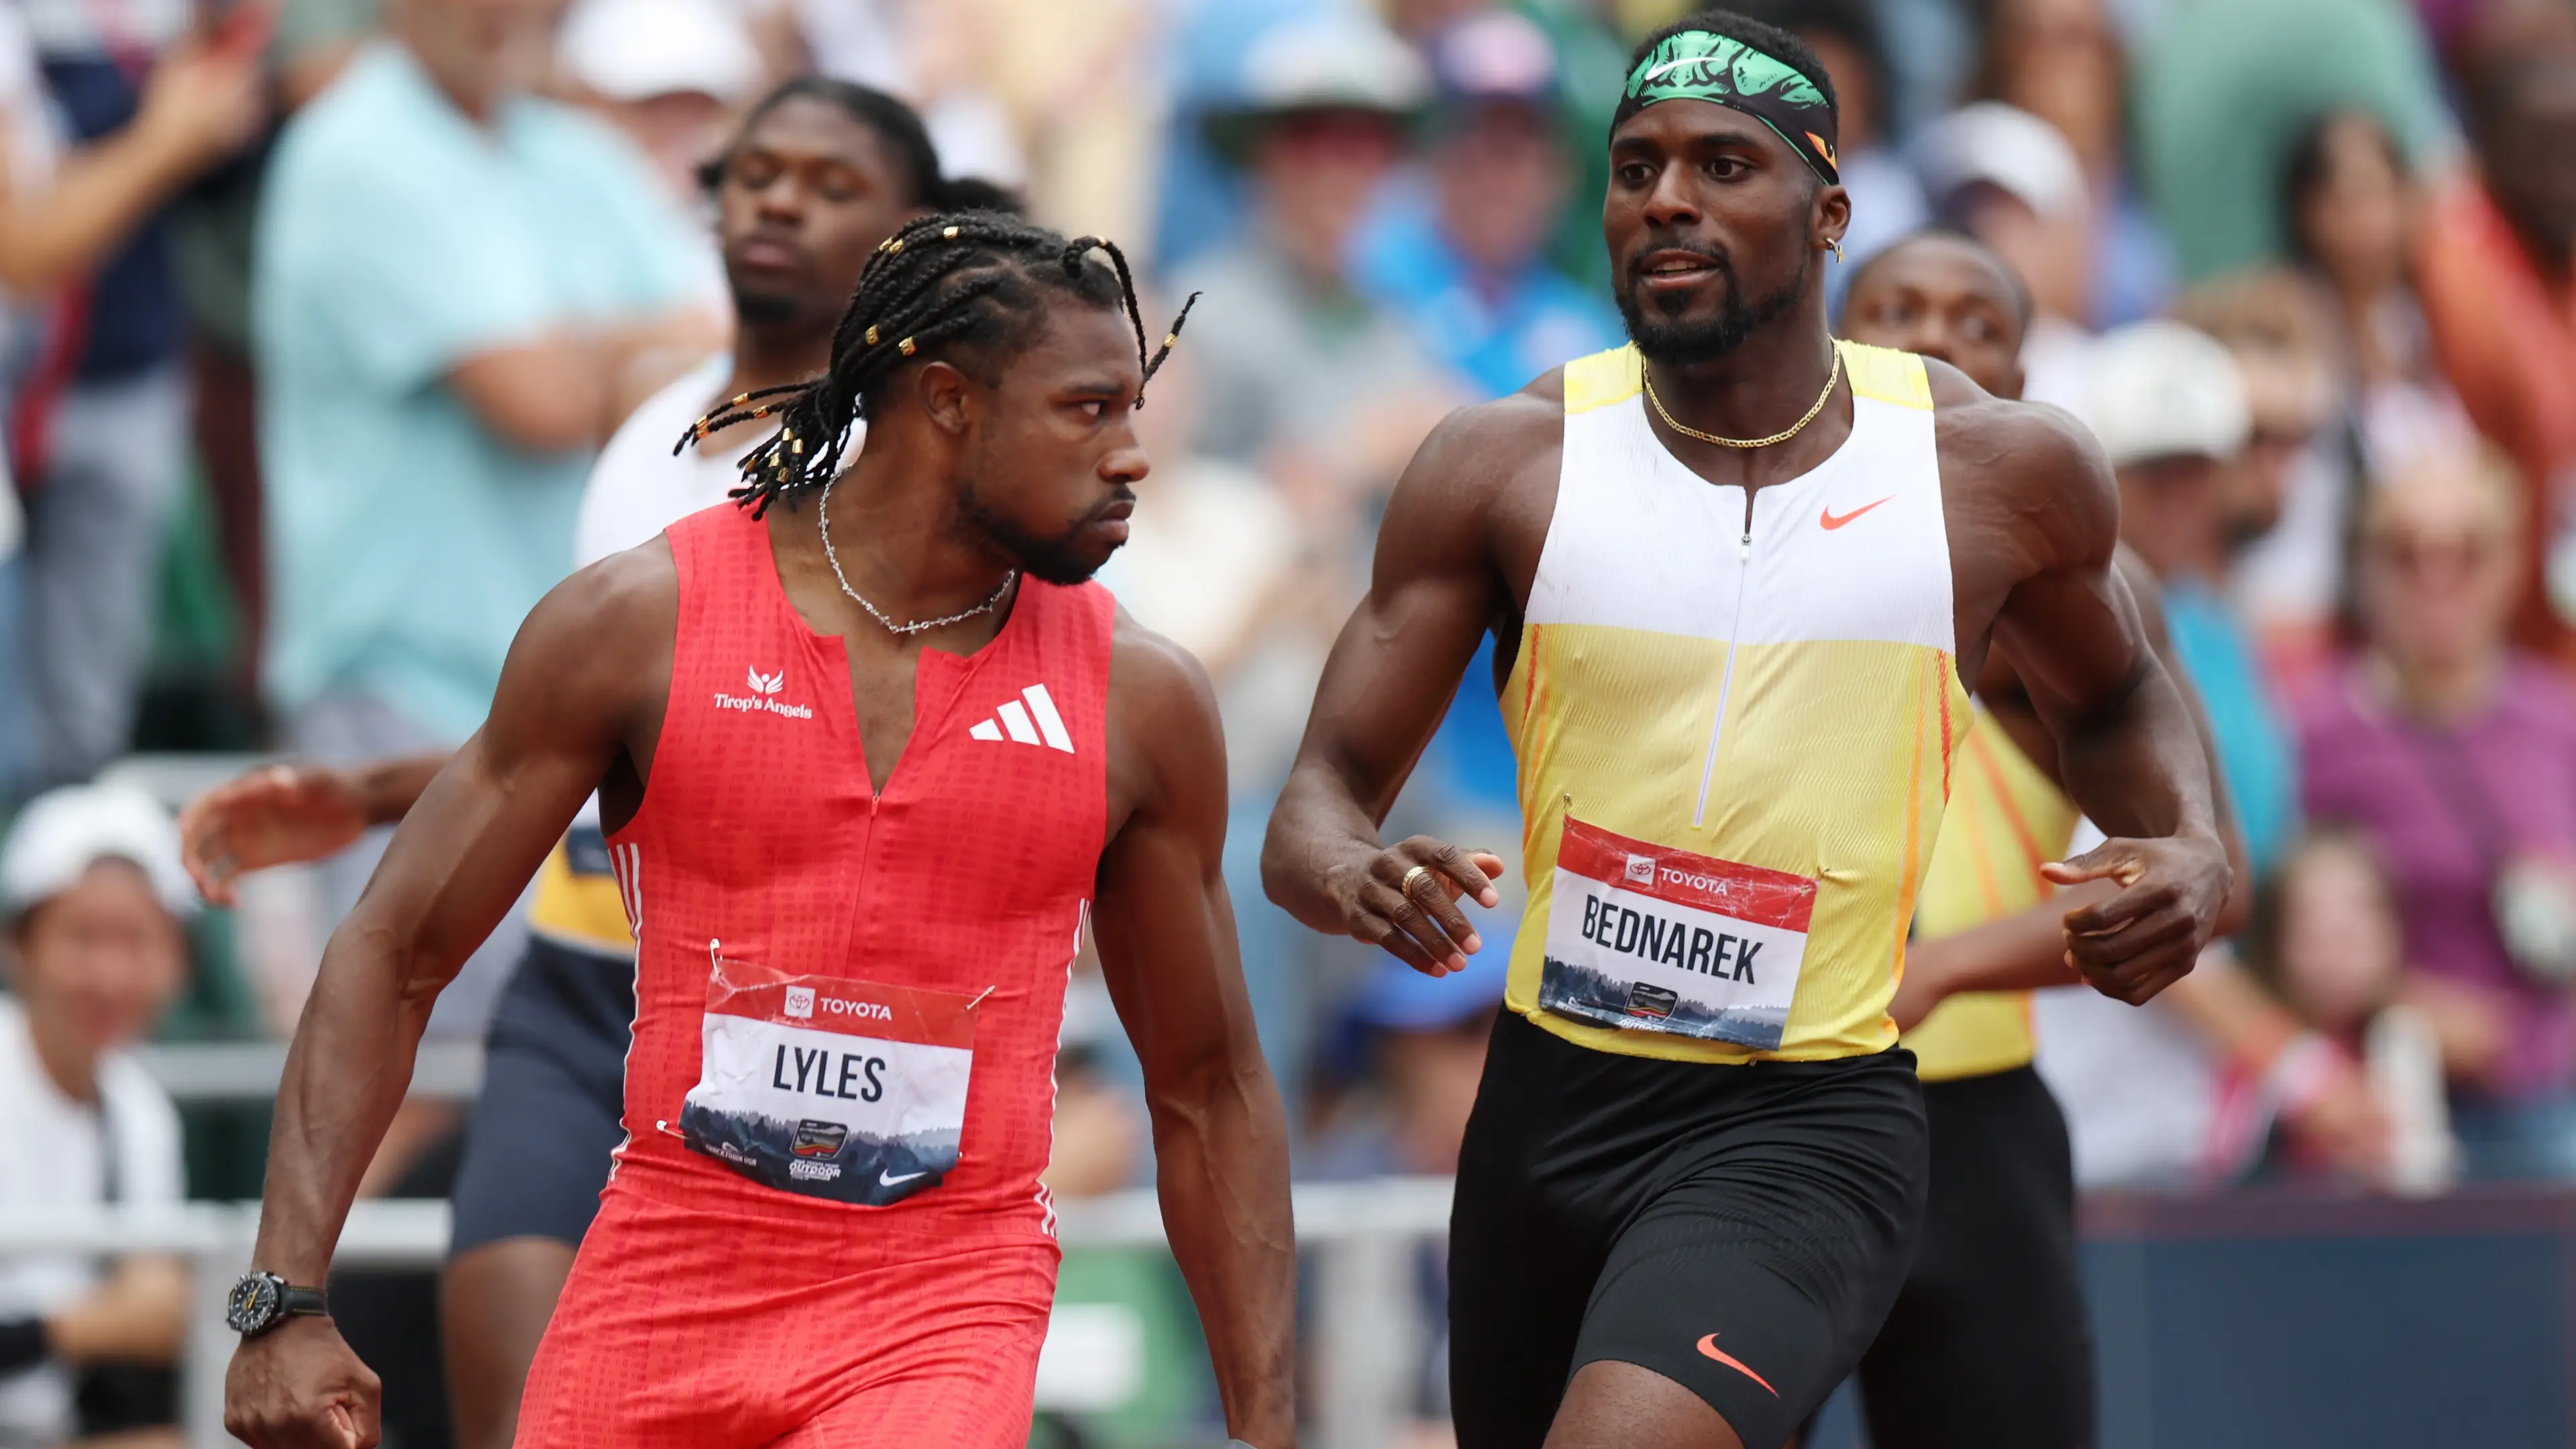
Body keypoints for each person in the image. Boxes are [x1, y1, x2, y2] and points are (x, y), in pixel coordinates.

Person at [1260, 13, 2232, 1448]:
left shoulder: (1988, 474)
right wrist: (1351, 870)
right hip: (1547, 1114)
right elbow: (1315, 804)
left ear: (1829, 212)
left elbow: (2120, 693)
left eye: (1724, 165)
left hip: (1806, 1123)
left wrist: (2193, 849)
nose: (1669, 197)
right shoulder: (1505, 463)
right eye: (1636, 166)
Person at [220, 210, 1295, 1449]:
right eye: (1089, 410)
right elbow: (392, 948)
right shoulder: (638, 621)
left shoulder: (1143, 703)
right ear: (948, 402)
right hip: (657, 1291)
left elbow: (1209, 1090)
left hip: (941, 1315)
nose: (1132, 458)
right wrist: (280, 1297)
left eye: (1134, 415)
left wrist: (1266, 1428)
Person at [184, 80, 1014, 1449]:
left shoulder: (924, 479)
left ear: (909, 233)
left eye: (826, 181)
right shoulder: (651, 434)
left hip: (794, 1023)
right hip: (584, 992)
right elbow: (606, 714)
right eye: (754, 173)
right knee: (513, 1375)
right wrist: (379, 791)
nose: (777, 201)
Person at [254, 0, 720, 1050]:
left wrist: (585, 354)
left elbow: (708, 368)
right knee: (416, 1075)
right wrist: (630, 357)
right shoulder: (356, 151)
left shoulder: (574, 151)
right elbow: (545, 402)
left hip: (573, 692)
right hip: (401, 682)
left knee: (548, 1073)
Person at [0, 1, 269, 792]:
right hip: (39, 390)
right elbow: (26, 245)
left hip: (124, 375)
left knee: (79, 725)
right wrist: (163, 138)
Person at [2298, 451, 2576, 1182]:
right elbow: (2278, 928)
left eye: (2467, 552)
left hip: (2555, 1094)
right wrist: (2399, 1000)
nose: (2437, 577)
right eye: (2405, 552)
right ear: (2366, 568)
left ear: (2512, 564)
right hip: (2395, 1103)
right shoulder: (2317, 734)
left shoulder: (2557, 721)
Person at [0, 782, 197, 1445]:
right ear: (18, 945)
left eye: (136, 941)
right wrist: (87, 1325)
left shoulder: (140, 1113)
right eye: (82, 937)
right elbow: (133, 1316)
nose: (110, 976)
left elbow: (153, 1317)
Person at [2414, 50, 2576, 665]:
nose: (2565, 175)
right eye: (2543, 150)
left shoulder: (2557, 249)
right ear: (2487, 153)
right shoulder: (2457, 256)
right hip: (2494, 631)